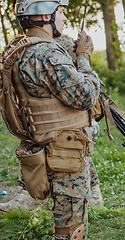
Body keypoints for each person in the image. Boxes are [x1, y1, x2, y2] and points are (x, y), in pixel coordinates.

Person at [2, 0, 101, 239]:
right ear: (45, 16)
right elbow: (85, 95)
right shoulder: (46, 54)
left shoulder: (22, 48)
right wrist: (84, 59)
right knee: (71, 227)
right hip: (64, 150)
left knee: (66, 220)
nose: (65, 19)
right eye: (61, 12)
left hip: (45, 143)